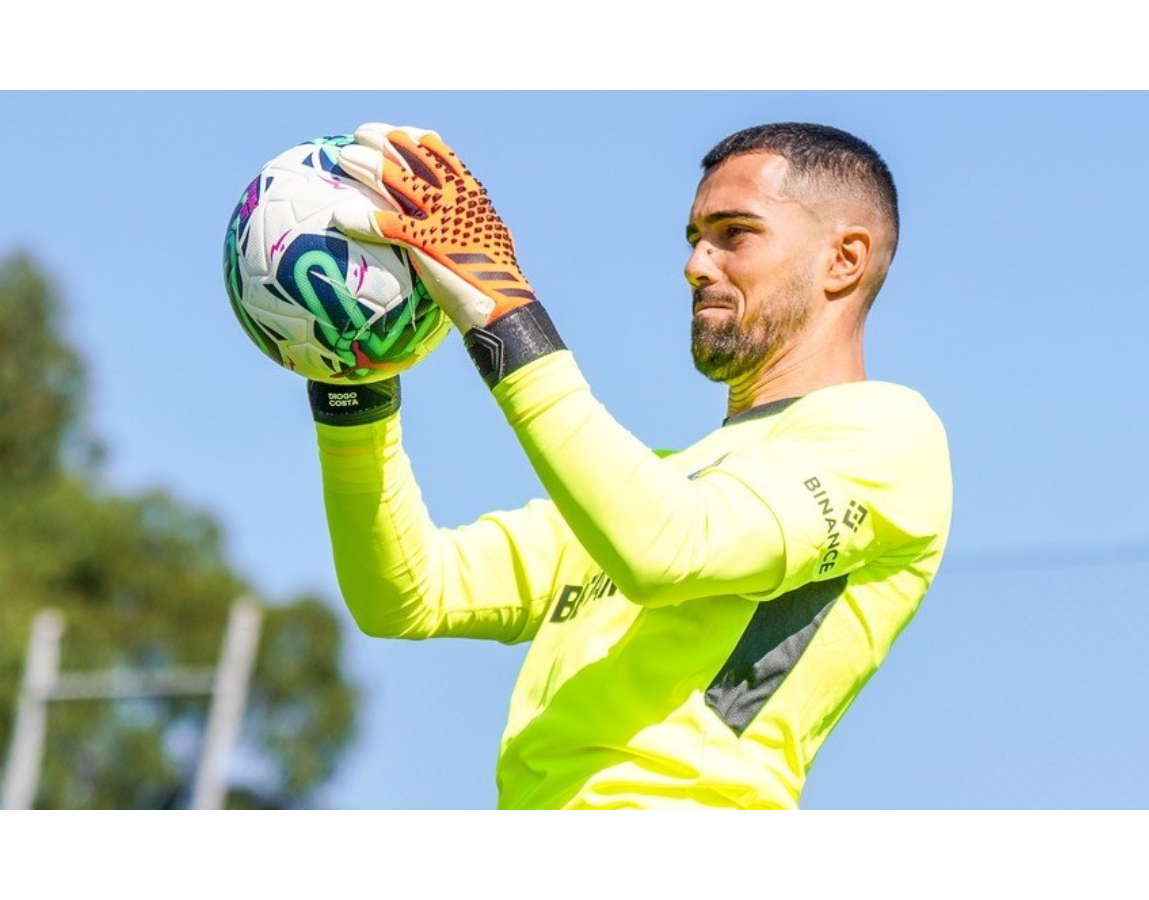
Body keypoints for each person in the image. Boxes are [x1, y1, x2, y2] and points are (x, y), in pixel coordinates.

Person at [306, 121, 953, 810]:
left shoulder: (889, 436)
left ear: (844, 260)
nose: (697, 265)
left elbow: (667, 550)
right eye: (694, 238)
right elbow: (405, 593)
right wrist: (353, 380)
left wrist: (500, 306)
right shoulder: (654, 486)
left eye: (735, 233)